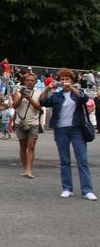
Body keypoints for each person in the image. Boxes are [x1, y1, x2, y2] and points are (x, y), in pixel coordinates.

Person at [40, 68, 97, 201]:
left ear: (72, 81)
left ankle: (87, 190)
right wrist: (48, 89)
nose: (65, 82)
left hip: (77, 129)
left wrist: (72, 88)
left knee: (82, 160)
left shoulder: (77, 93)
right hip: (61, 130)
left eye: (67, 79)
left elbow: (84, 98)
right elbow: (42, 101)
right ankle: (67, 188)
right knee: (64, 160)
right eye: (63, 79)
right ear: (59, 81)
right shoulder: (57, 95)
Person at [12, 73, 42, 178]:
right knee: (22, 146)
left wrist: (29, 98)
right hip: (20, 122)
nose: (30, 82)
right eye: (28, 80)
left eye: (32, 80)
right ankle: (25, 168)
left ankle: (29, 169)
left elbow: (38, 107)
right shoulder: (18, 92)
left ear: (35, 82)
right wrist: (21, 97)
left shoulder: (39, 93)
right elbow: (14, 105)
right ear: (24, 81)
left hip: (33, 123)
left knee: (31, 146)